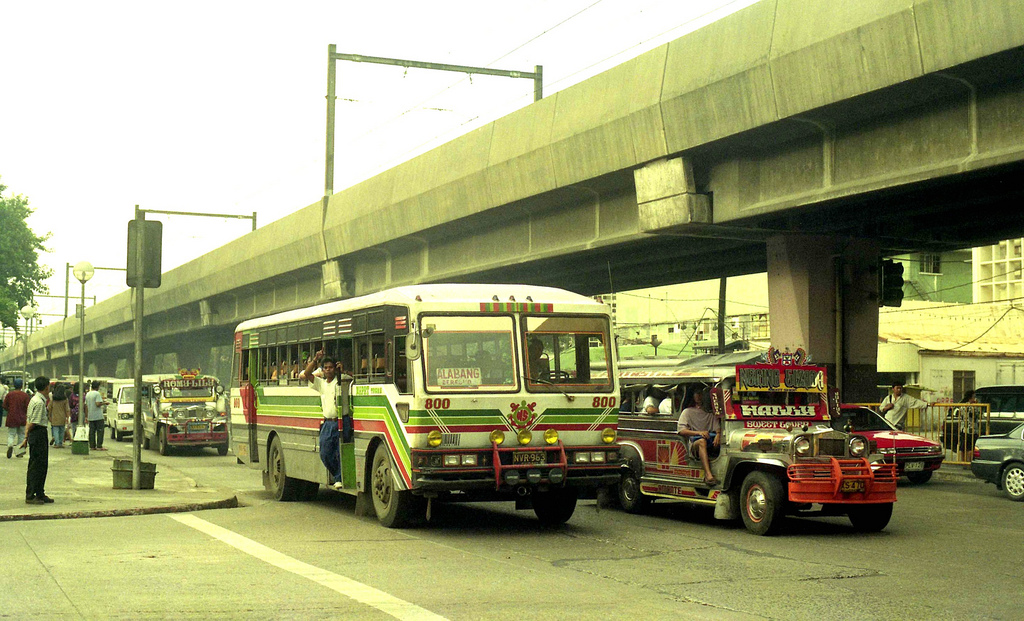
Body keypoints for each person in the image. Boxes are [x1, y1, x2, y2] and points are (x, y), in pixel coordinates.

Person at [302, 349, 345, 489]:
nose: (328, 370)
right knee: (325, 453)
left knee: (340, 452)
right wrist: (315, 360)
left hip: (340, 422)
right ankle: (336, 474)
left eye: (330, 367)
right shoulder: (321, 383)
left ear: (335, 368)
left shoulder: (341, 380)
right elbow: (306, 374)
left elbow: (351, 379)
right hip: (327, 423)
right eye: (325, 368)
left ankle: (339, 478)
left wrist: (342, 371)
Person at [677, 387, 720, 485]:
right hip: (694, 444)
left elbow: (717, 427)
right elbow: (681, 430)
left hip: (711, 442)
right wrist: (699, 433)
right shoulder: (687, 412)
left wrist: (718, 434)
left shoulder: (711, 413)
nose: (699, 396)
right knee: (702, 441)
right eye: (697, 393)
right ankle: (708, 475)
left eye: (701, 394)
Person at [22, 376, 53, 504]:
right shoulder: (39, 402)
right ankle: (31, 495)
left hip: (36, 433)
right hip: (38, 433)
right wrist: (26, 437)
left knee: (41, 464)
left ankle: (40, 492)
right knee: (36, 465)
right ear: (46, 387)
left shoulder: (35, 399)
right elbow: (33, 422)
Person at [4, 378, 30, 459]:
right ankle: (19, 452)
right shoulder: (25, 395)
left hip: (11, 417)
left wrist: (10, 410)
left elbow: (4, 405)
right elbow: (28, 407)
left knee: (11, 434)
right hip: (22, 418)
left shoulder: (9, 395)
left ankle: (10, 445)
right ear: (21, 385)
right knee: (21, 435)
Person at [85, 380, 108, 451]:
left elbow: (85, 405)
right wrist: (104, 403)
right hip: (98, 416)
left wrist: (86, 415)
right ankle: (99, 445)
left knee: (92, 432)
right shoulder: (97, 394)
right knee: (100, 431)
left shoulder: (88, 394)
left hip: (90, 415)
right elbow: (97, 403)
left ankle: (92, 445)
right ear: (97, 387)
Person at [48, 383, 70, 448]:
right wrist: (68, 417)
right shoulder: (65, 399)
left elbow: (49, 408)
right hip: (62, 417)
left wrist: (49, 416)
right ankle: (60, 443)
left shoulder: (53, 399)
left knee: (55, 430)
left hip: (54, 416)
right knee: (61, 430)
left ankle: (57, 443)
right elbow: (67, 409)